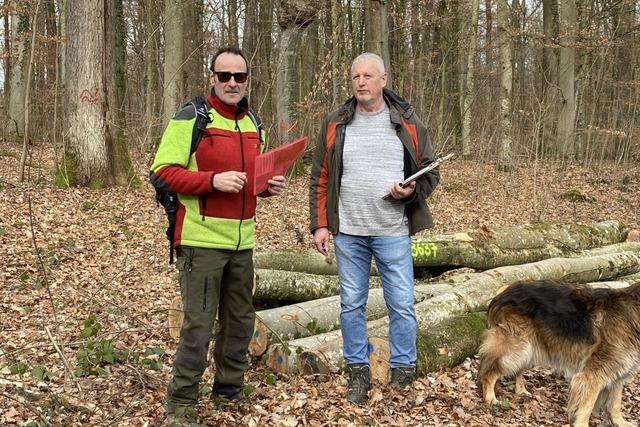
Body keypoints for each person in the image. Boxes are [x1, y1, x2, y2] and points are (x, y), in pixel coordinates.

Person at [150, 47, 286, 426]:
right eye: (224, 75)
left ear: (247, 81)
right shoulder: (192, 117)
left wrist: (266, 187)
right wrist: (212, 181)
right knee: (198, 324)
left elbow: (248, 184)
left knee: (240, 322)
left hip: (243, 244)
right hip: (201, 241)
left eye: (239, 77)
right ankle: (181, 404)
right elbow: (162, 171)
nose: (231, 83)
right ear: (212, 77)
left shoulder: (254, 123)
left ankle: (229, 390)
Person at [309, 52, 440, 404]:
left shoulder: (407, 120)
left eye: (368, 76)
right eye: (356, 77)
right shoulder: (336, 122)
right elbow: (320, 177)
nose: (361, 82)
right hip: (348, 231)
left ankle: (403, 370)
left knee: (402, 303)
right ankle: (357, 372)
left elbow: (431, 170)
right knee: (352, 304)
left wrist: (411, 190)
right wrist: (320, 225)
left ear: (384, 79)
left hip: (392, 230)